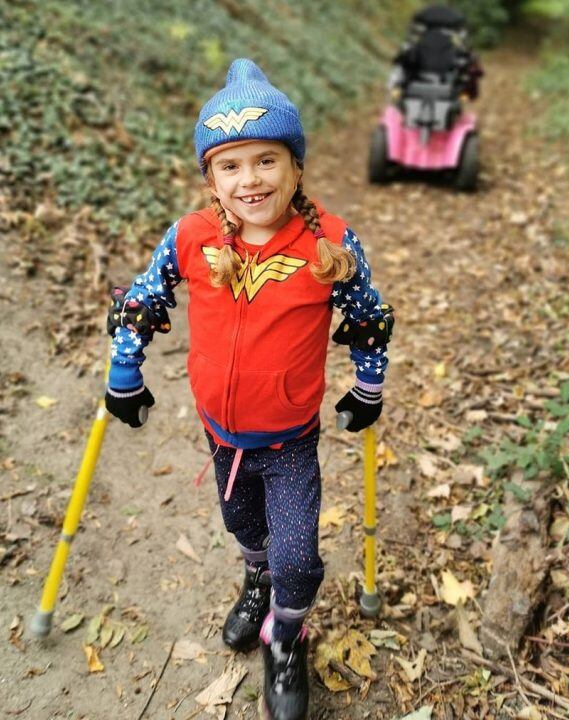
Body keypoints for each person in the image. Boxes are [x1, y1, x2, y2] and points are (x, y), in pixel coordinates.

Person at [104, 58, 393, 720]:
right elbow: (142, 300)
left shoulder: (332, 241)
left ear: (296, 167)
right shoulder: (191, 237)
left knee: (298, 556)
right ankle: (256, 580)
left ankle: (286, 636)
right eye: (230, 165)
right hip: (221, 432)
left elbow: (370, 315)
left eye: (267, 160)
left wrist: (367, 387)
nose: (250, 179)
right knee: (244, 527)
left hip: (291, 436)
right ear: (210, 176)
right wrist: (126, 370)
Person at [389, 3, 483, 102]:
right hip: (439, 91)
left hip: (424, 90)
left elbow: (400, 62)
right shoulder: (458, 50)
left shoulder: (414, 47)